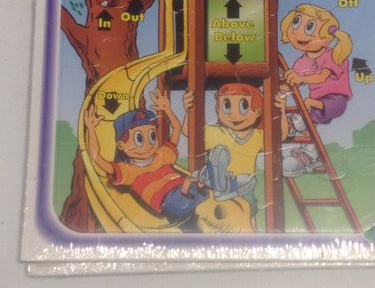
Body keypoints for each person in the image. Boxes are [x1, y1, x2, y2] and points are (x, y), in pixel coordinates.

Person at [84, 88, 208, 226]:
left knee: (202, 190)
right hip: (169, 200)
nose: (148, 144)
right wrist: (91, 129)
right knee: (179, 201)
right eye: (139, 139)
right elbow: (96, 157)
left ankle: (200, 183)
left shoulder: (161, 154)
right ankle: (190, 187)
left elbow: (176, 129)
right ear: (122, 145)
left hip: (184, 188)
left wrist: (167, 109)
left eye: (152, 136)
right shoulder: (128, 170)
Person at [182, 83, 288, 229]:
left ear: (257, 111)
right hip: (215, 191)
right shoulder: (216, 132)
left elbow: (280, 136)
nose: (233, 115)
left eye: (243, 106)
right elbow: (190, 132)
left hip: (243, 189)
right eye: (227, 106)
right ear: (218, 109)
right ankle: (218, 183)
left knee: (249, 220)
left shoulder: (257, 136)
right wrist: (188, 110)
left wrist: (282, 112)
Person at [279, 4, 353, 177]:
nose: (298, 32)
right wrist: (276, 86)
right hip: (316, 105)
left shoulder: (332, 55)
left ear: (326, 39)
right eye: (296, 23)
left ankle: (301, 134)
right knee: (309, 124)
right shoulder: (301, 62)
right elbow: (293, 86)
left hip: (335, 101)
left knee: (309, 109)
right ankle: (308, 155)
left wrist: (301, 79)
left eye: (309, 27)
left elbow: (321, 77)